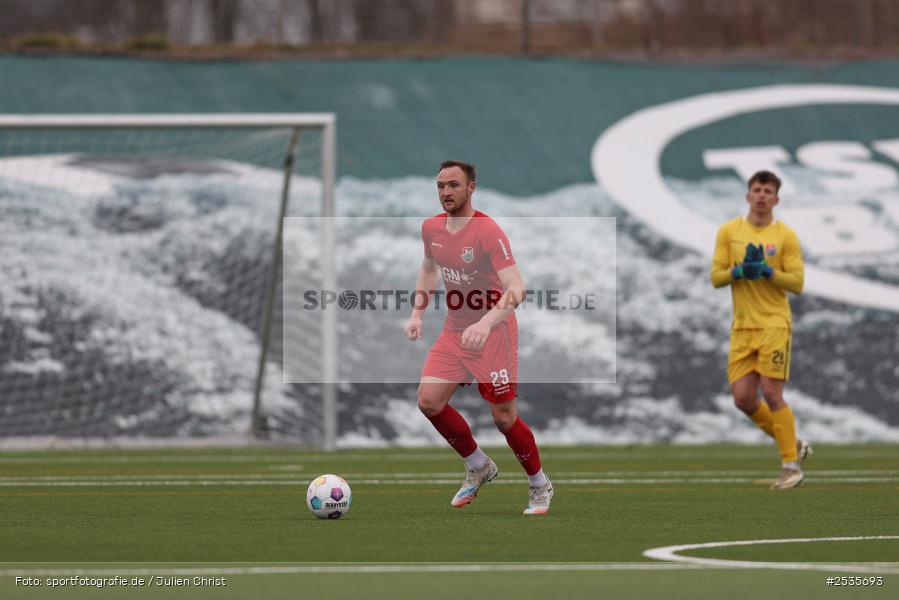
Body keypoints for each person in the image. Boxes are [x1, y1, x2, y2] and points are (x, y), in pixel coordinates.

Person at [404, 160, 553, 515]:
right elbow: (428, 268)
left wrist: (485, 324)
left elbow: (517, 288)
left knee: (503, 418)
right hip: (455, 331)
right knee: (429, 402)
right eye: (440, 186)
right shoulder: (432, 229)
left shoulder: (488, 231)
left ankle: (539, 485)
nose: (445, 192)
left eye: (454, 185)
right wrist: (417, 313)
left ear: (471, 188)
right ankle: (478, 465)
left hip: (494, 333)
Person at [711, 170, 811, 490]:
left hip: (774, 323)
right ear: (748, 196)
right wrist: (740, 270)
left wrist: (768, 271)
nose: (762, 195)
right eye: (757, 190)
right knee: (743, 400)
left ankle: (790, 466)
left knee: (772, 393)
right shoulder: (730, 231)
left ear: (776, 199)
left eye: (768, 191)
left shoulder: (785, 236)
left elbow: (796, 283)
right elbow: (716, 277)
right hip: (743, 327)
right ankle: (792, 442)